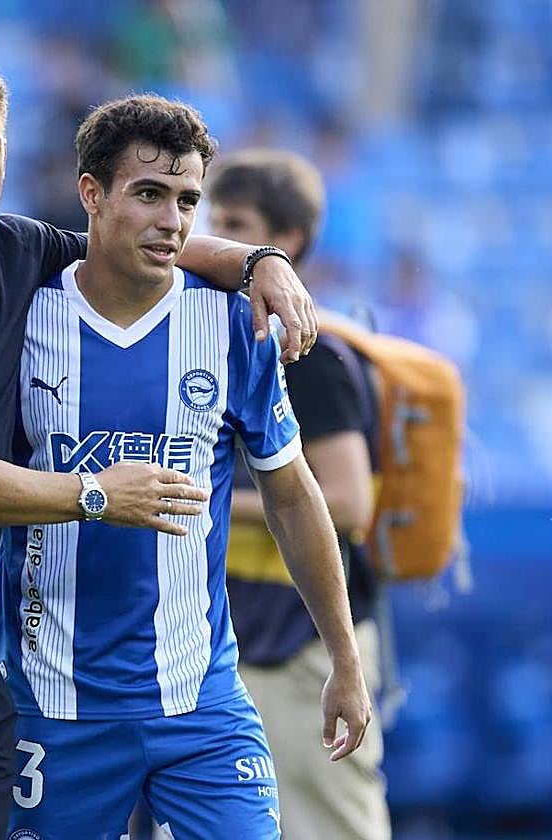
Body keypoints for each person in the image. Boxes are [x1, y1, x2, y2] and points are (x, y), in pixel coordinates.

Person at [0, 86, 366, 839]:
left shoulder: (223, 325)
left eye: (187, 199)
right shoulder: (19, 304)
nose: (170, 218)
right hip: (37, 702)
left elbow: (295, 494)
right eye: (147, 193)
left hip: (197, 702)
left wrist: (259, 261)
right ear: (90, 193)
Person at [211, 149, 391, 840]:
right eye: (211, 217)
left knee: (327, 824)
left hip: (304, 641)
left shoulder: (305, 354)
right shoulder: (226, 334)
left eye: (236, 222)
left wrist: (213, 499)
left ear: (285, 243)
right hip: (241, 628)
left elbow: (348, 503)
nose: (214, 236)